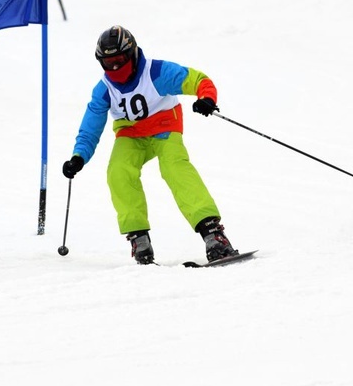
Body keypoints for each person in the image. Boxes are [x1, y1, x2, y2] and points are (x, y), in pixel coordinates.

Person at [62, 25, 238, 265]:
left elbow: (197, 80)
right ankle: (139, 238)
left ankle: (213, 234)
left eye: (119, 60)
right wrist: (79, 156)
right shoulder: (104, 89)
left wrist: (206, 98)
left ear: (132, 54)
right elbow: (90, 126)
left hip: (165, 127)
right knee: (118, 172)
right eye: (108, 62)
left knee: (175, 168)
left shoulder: (156, 72)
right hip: (131, 134)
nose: (115, 67)